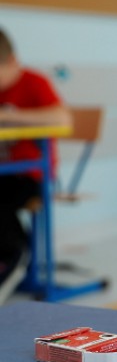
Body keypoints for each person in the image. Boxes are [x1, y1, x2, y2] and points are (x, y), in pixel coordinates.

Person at [0, 28, 71, 302]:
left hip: (32, 175)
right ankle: (16, 250)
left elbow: (63, 119)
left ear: (12, 61)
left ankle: (15, 254)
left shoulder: (34, 82)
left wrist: (9, 119)